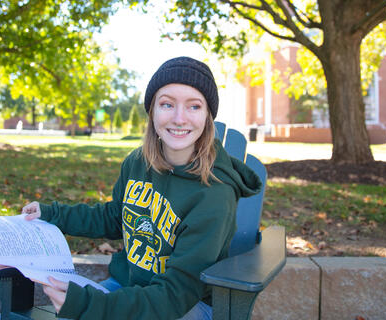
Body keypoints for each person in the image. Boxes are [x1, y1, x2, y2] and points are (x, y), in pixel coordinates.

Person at [21, 56, 261, 320]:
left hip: (185, 303)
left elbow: (175, 294)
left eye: (194, 106)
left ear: (207, 117)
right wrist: (51, 214)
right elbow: (114, 217)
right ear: (152, 112)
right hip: (130, 287)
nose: (180, 118)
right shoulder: (137, 163)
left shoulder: (215, 193)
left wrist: (90, 305)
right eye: (167, 104)